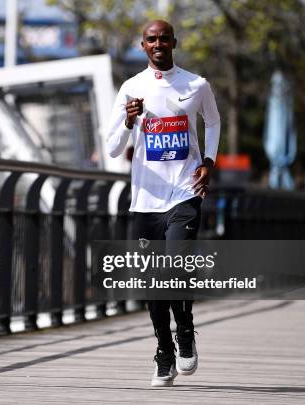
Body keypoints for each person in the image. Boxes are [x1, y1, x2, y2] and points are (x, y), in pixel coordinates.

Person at [106, 20, 221, 387]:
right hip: (145, 199)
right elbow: (110, 147)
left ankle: (184, 330)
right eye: (151, 39)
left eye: (164, 38)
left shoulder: (196, 85)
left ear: (174, 41)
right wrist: (128, 121)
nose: (158, 44)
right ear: (143, 46)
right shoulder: (131, 88)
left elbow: (213, 123)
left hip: (185, 192)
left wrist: (208, 163)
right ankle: (163, 351)